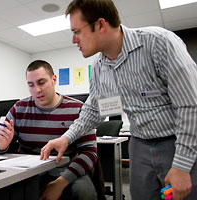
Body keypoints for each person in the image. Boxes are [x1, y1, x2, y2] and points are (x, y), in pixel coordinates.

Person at [40, 0, 197, 199]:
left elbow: (190, 106)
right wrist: (66, 138)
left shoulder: (158, 42)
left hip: (177, 142)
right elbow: (93, 111)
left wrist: (182, 166)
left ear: (100, 24)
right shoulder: (99, 68)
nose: (74, 40)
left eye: (77, 31)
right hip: (139, 145)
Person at [0, 60, 98, 200]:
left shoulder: (78, 108)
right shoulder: (18, 108)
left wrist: (61, 183)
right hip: (29, 171)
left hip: (65, 169)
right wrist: (1, 145)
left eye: (41, 82)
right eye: (31, 85)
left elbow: (90, 152)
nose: (37, 90)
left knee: (84, 192)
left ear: (54, 79)